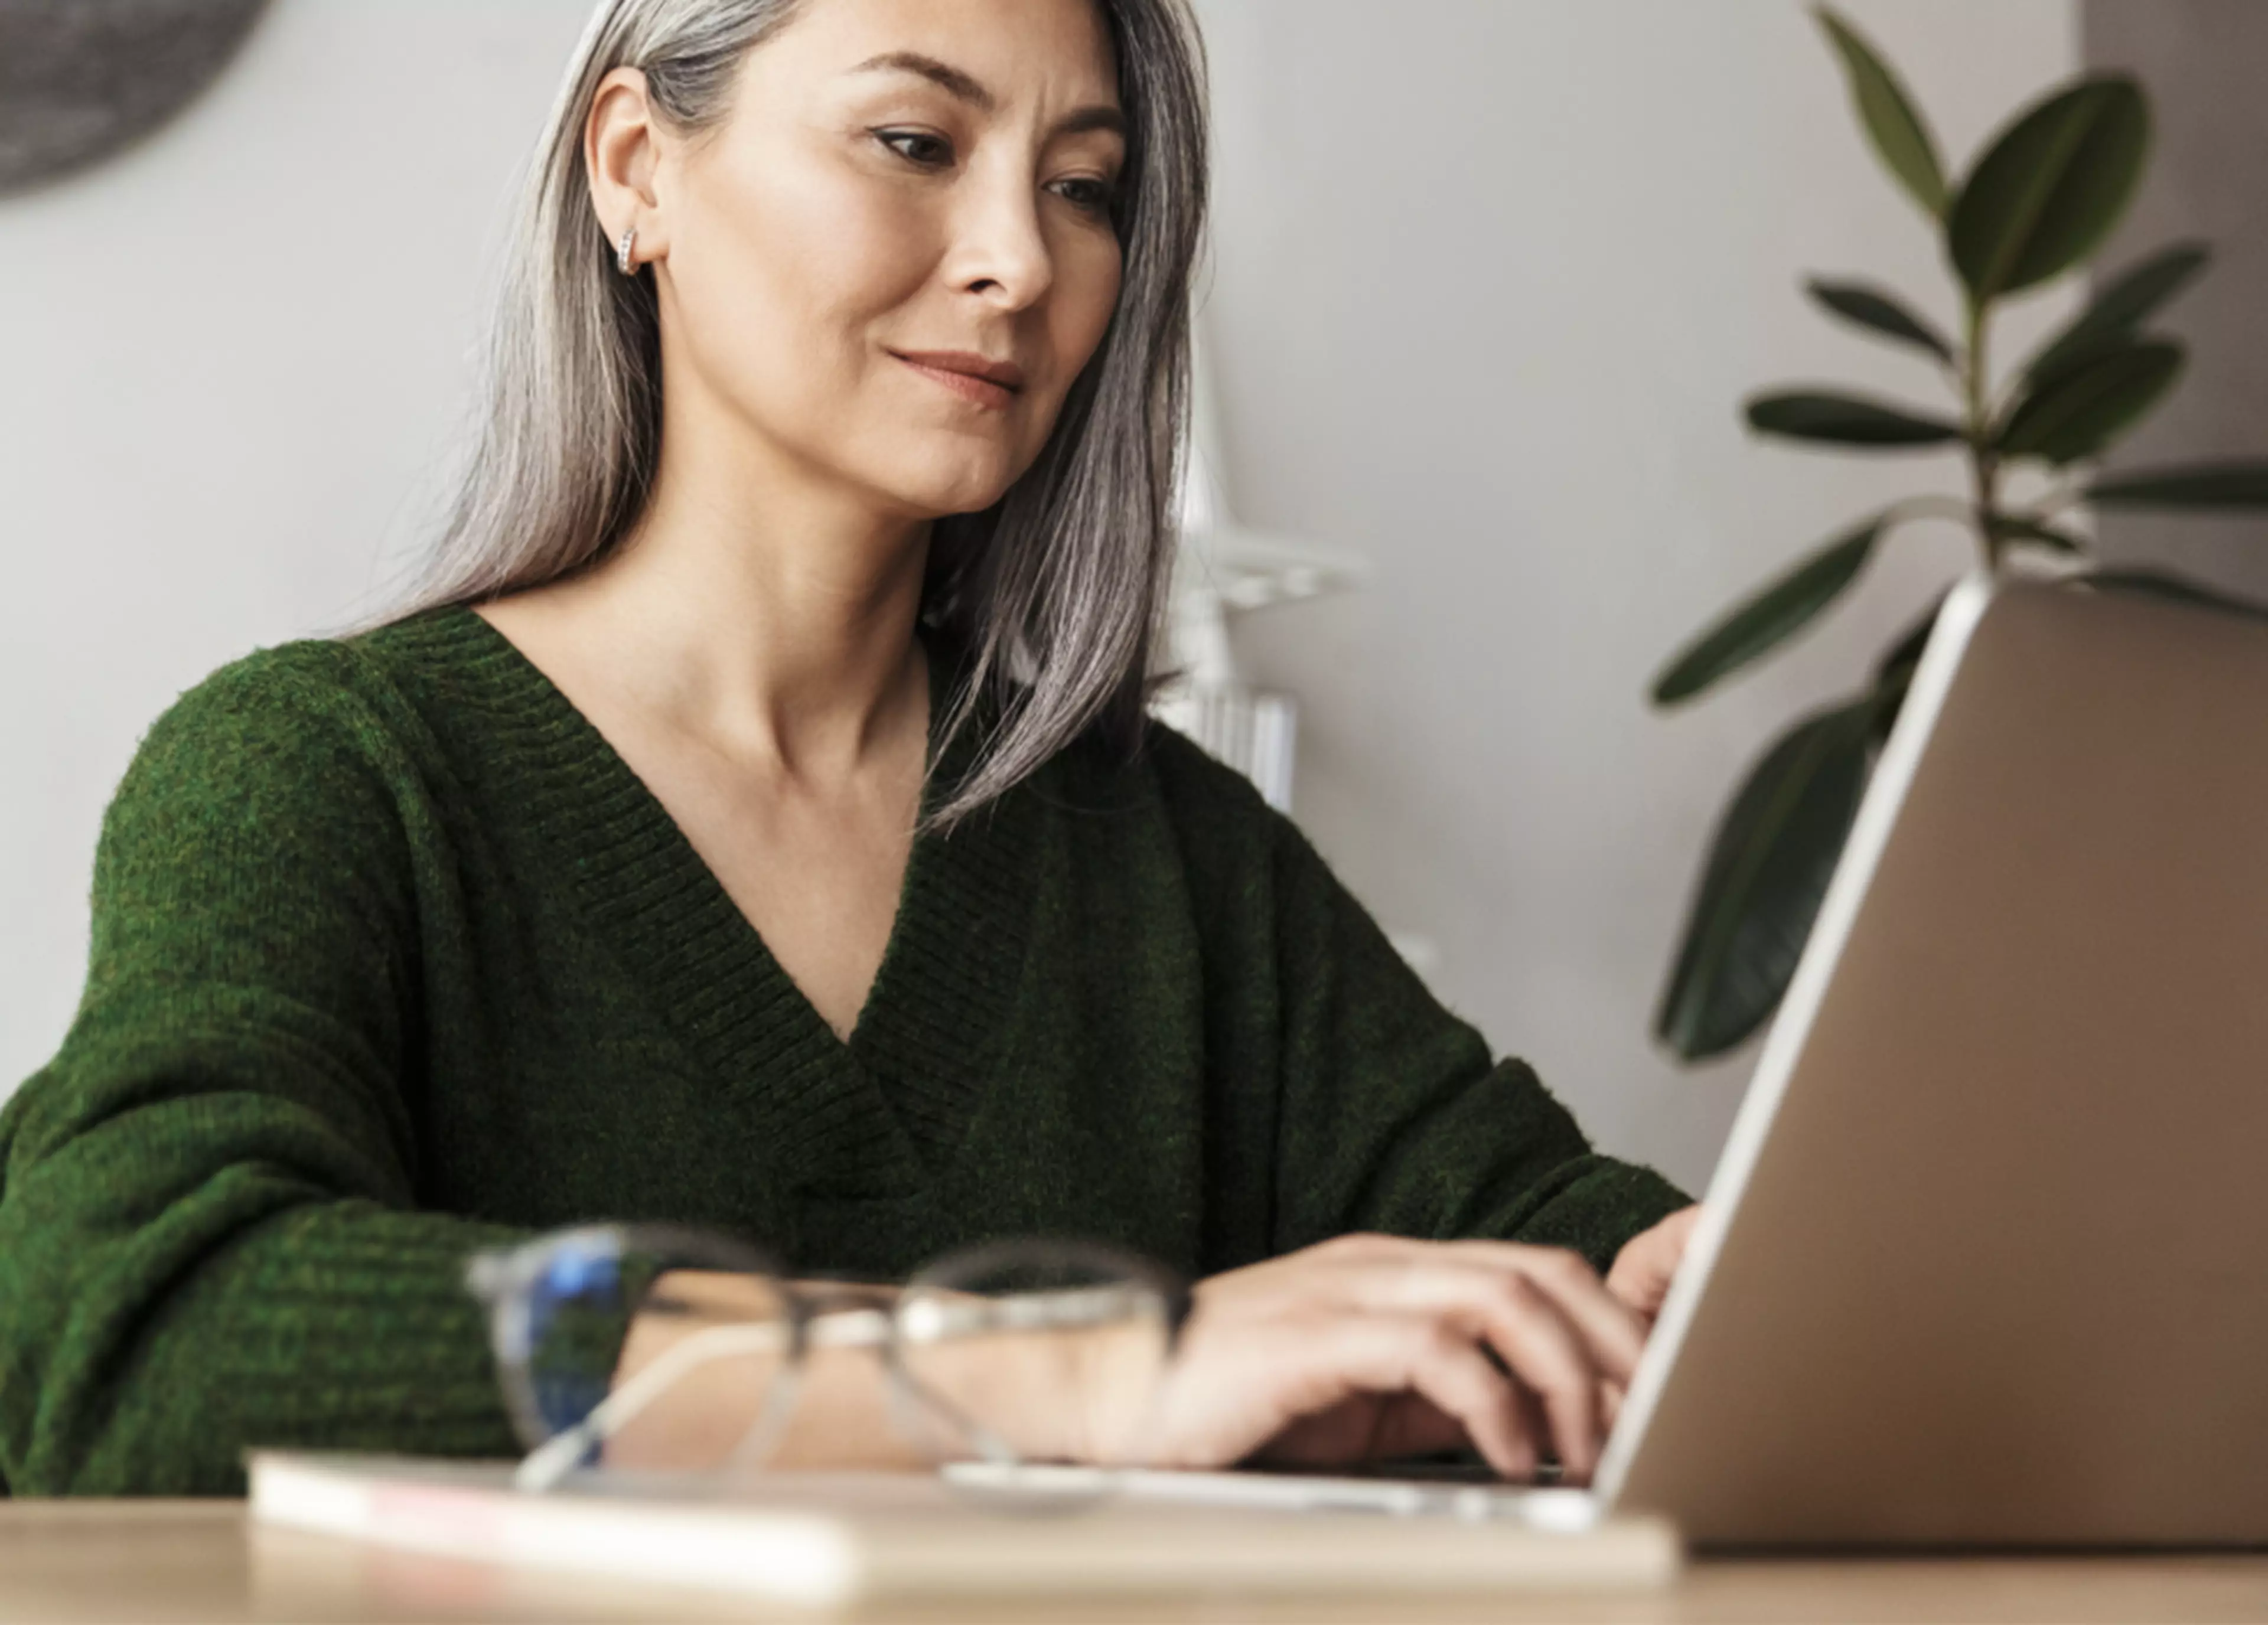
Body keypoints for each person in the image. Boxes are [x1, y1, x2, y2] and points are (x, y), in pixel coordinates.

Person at [0, 0, 1697, 1499]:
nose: (1022, 260)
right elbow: (128, 1327)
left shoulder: (1172, 857)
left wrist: (1710, 1286)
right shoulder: (326, 776)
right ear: (637, 170)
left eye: (1084, 186)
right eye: (913, 140)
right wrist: (1069, 1375)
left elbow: (1547, 1250)